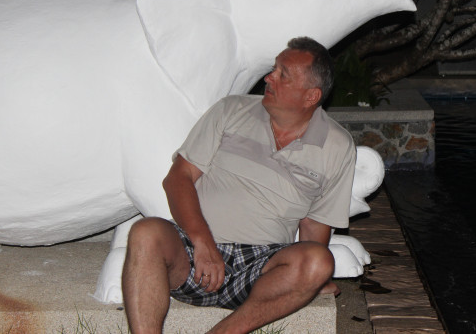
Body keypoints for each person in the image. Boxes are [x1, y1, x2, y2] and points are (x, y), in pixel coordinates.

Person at [122, 37, 356, 334]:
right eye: (274, 68)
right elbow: (178, 178)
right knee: (146, 232)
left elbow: (314, 225)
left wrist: (312, 280)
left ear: (311, 96)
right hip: (193, 253)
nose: (269, 77)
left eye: (283, 74)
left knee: (319, 261)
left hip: (261, 267)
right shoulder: (231, 110)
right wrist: (203, 242)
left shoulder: (337, 146)